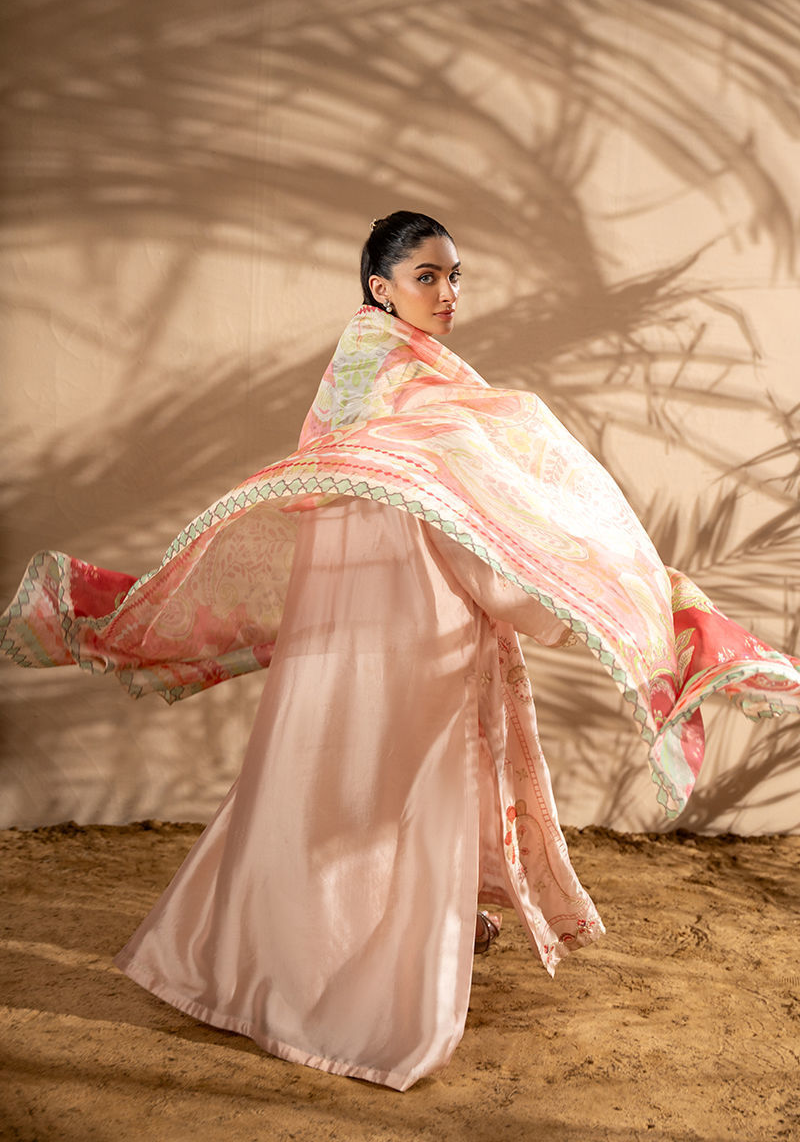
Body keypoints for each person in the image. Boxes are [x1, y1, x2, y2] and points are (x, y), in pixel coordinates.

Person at [1, 211, 798, 1091]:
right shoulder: (423, 402)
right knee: (398, 804)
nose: (448, 293)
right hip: (418, 644)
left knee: (319, 788)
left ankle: (262, 957)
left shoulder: (350, 389)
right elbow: (474, 547)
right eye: (428, 277)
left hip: (342, 644)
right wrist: (582, 602)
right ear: (380, 288)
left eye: (455, 276)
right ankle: (361, 992)